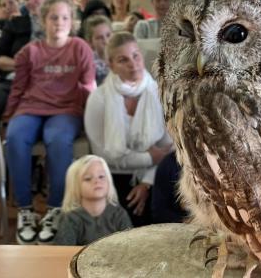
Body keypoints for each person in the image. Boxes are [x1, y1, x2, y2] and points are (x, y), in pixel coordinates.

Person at [3, 0, 95, 245]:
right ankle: (25, 210)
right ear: (43, 21)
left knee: (57, 139)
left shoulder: (80, 47)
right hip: (31, 108)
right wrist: (8, 118)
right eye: (53, 17)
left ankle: (56, 208)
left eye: (65, 17)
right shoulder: (29, 51)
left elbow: (89, 87)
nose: (59, 22)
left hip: (66, 110)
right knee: (15, 136)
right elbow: (18, 88)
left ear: (72, 21)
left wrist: (92, 124)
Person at [84, 32, 173, 226]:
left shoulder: (159, 93)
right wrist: (149, 157)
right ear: (111, 65)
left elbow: (168, 149)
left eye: (136, 56)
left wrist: (146, 183)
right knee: (124, 224)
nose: (133, 65)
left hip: (153, 172)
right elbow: (105, 155)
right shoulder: (98, 99)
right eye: (123, 60)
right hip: (115, 173)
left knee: (161, 210)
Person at [0, 0, 50, 117]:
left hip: (49, 82)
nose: (30, 1)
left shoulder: (59, 24)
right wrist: (21, 64)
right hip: (14, 80)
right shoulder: (15, 23)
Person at [53, 155, 132, 246]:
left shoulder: (119, 214)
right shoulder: (71, 218)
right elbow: (64, 255)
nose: (97, 181)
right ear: (74, 186)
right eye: (88, 179)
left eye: (101, 176)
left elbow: (131, 249)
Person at [151, 152, 188, 224]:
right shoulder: (168, 163)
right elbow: (159, 211)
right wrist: (186, 222)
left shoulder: (212, 161)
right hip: (181, 226)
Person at [86, 15, 112, 86]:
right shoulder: (90, 63)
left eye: (108, 35)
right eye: (100, 38)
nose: (106, 41)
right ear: (91, 42)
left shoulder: (123, 55)